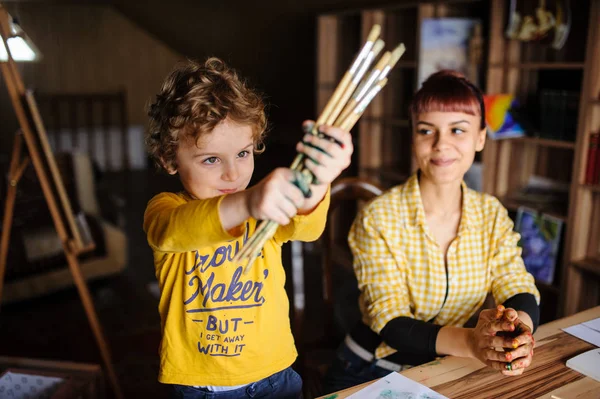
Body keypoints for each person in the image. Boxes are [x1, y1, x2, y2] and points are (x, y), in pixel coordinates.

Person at [143, 57, 354, 398]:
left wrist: (320, 179)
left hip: (276, 377)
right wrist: (249, 203)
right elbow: (171, 231)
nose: (233, 174)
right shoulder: (166, 209)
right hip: (202, 388)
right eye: (211, 159)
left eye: (243, 153)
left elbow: (307, 227)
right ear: (169, 159)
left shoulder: (263, 206)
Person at [323, 70, 540, 394]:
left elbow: (516, 282)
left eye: (458, 130)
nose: (442, 144)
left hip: (451, 364)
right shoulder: (378, 218)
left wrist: (517, 332)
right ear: (413, 137)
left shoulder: (491, 213)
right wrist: (471, 341)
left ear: (480, 137)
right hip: (371, 368)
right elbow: (389, 320)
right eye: (427, 131)